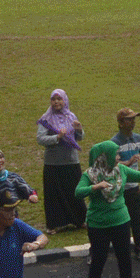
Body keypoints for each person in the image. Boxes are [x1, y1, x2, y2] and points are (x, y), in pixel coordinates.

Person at [75, 141, 140, 278]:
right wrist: (95, 187)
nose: (118, 157)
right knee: (98, 258)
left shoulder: (121, 169)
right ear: (105, 157)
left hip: (121, 220)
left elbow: (138, 176)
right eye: (116, 154)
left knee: (124, 256)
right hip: (98, 224)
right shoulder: (89, 175)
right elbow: (78, 192)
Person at [36, 89, 86, 233]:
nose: (56, 102)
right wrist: (57, 137)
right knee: (54, 195)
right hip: (53, 163)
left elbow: (79, 138)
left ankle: (79, 220)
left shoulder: (71, 116)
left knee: (74, 192)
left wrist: (79, 130)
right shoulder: (46, 119)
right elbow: (40, 139)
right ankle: (54, 224)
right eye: (54, 99)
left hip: (71, 161)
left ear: (65, 100)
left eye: (59, 99)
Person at [109, 110, 140, 257]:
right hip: (119, 188)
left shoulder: (138, 138)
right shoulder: (114, 142)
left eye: (134, 119)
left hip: (134, 187)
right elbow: (111, 163)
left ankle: (139, 247)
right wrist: (128, 162)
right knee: (117, 220)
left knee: (137, 219)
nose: (133, 122)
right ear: (121, 123)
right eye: (129, 120)